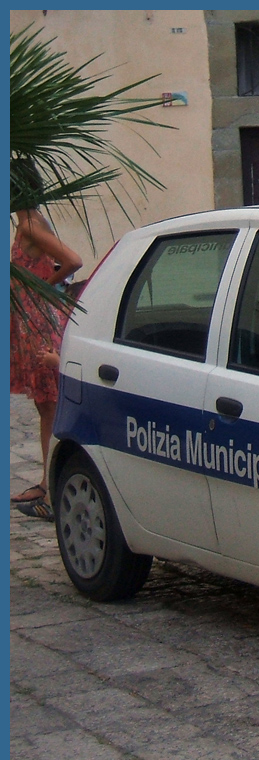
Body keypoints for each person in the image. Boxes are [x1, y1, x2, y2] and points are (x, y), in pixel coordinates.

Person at [10, 159, 83, 521]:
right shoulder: (28, 223)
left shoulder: (30, 226)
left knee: (49, 404)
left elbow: (72, 260)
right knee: (44, 405)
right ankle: (46, 479)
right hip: (30, 321)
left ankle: (53, 487)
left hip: (38, 322)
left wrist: (43, 288)